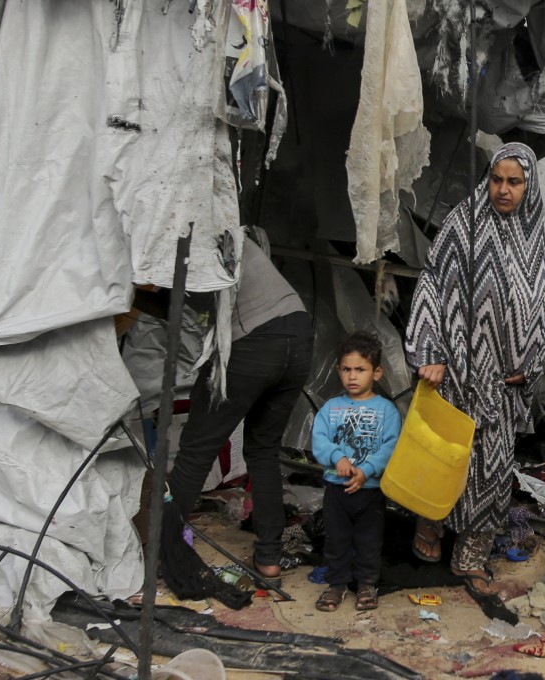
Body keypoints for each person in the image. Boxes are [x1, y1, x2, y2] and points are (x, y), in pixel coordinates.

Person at [405, 142, 545, 598]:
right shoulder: (463, 224)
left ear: (528, 187)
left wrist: (529, 365)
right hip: (456, 374)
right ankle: (430, 523)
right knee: (445, 456)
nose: (503, 189)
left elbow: (542, 305)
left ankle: (469, 556)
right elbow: (432, 284)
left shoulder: (536, 235)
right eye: (497, 179)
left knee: (492, 470)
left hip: (502, 386)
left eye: (514, 182)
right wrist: (430, 350)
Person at [166, 237, 313, 586]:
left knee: (195, 451)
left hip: (255, 337)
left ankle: (166, 553)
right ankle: (269, 558)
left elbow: (177, 300)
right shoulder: (228, 230)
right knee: (263, 450)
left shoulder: (184, 233)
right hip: (298, 333)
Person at [312, 332, 400, 612]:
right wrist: (337, 457)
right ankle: (336, 585)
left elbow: (390, 446)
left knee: (369, 541)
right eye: (346, 369)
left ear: (377, 373)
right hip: (336, 489)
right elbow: (319, 440)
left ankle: (366, 585)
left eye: (360, 370)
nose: (352, 376)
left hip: (370, 491)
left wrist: (367, 470)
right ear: (338, 370)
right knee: (336, 540)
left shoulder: (387, 410)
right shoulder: (330, 408)